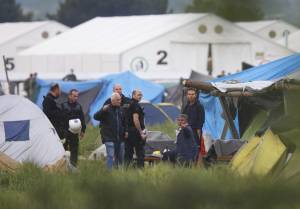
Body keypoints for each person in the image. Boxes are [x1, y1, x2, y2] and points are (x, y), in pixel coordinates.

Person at [94, 93, 127, 169]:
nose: (120, 101)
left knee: (121, 157)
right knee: (111, 156)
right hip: (108, 137)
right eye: (118, 100)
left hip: (120, 138)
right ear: (113, 100)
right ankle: (108, 173)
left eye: (120, 99)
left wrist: (126, 131)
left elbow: (125, 122)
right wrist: (102, 110)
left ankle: (119, 172)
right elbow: (95, 117)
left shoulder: (121, 109)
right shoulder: (106, 109)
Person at [61, 89, 86, 167]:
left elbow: (82, 119)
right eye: (74, 96)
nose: (76, 98)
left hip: (75, 132)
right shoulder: (63, 105)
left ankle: (73, 166)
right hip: (64, 132)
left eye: (77, 96)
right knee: (62, 149)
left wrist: (83, 130)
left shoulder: (78, 106)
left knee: (74, 150)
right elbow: (59, 118)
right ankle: (62, 165)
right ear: (69, 96)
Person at [182, 88, 205, 160]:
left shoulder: (199, 106)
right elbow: (183, 118)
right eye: (189, 94)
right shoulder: (186, 107)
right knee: (187, 148)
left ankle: (196, 164)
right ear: (187, 95)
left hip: (195, 131)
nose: (191, 96)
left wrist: (198, 133)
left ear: (196, 95)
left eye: (192, 94)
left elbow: (201, 121)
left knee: (196, 149)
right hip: (186, 131)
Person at [125, 90, 146, 168]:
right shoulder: (136, 105)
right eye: (138, 95)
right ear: (133, 95)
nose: (140, 96)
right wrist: (141, 132)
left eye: (141, 95)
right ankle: (140, 170)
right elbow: (135, 119)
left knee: (128, 153)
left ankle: (126, 169)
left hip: (127, 131)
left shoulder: (127, 104)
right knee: (140, 152)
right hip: (135, 131)